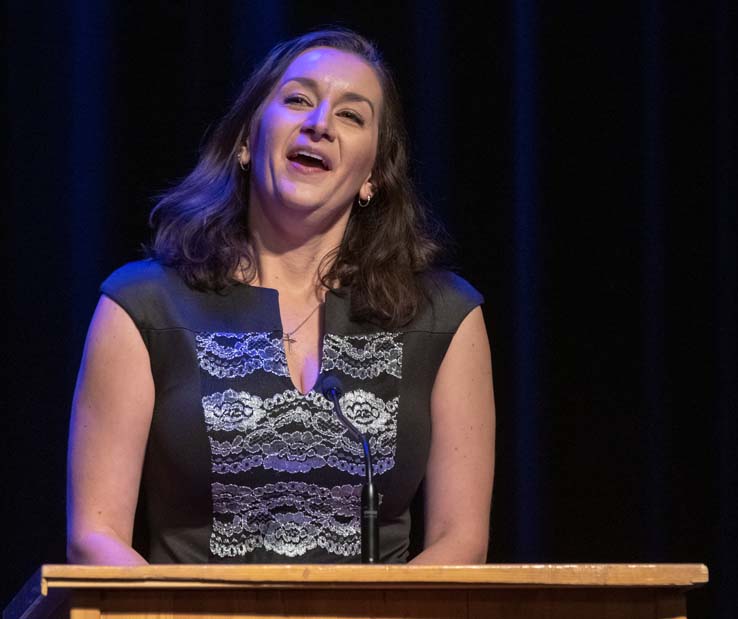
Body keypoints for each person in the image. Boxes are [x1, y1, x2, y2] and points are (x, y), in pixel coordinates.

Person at [66, 27, 495, 565]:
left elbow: (461, 542)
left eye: (351, 115)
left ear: (374, 177)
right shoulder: (144, 305)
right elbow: (94, 537)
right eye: (298, 100)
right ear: (246, 141)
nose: (319, 125)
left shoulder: (443, 316)